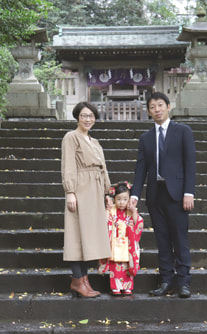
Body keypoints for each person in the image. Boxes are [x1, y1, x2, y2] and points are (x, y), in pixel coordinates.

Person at [130, 92, 196, 298]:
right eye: (152, 106)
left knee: (180, 238)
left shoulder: (183, 131)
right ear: (148, 111)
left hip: (177, 194)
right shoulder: (146, 138)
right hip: (155, 195)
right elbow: (141, 169)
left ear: (168, 107)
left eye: (160, 105)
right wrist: (134, 195)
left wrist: (189, 192)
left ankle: (184, 282)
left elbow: (190, 164)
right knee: (162, 240)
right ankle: (166, 280)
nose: (157, 109)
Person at [61, 101, 113, 298]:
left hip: (96, 188)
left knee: (89, 237)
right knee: (77, 235)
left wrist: (108, 193)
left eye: (91, 116)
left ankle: (84, 280)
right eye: (84, 115)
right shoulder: (71, 137)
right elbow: (68, 165)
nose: (88, 119)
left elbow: (103, 168)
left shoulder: (95, 142)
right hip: (81, 188)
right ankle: (77, 278)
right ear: (77, 117)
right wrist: (70, 191)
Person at [98, 182, 144, 296]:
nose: (122, 202)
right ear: (114, 199)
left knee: (127, 266)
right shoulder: (112, 211)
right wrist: (107, 211)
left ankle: (127, 287)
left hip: (127, 243)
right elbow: (104, 222)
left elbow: (138, 222)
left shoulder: (131, 210)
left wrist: (133, 211)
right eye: (118, 199)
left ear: (129, 199)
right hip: (115, 242)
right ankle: (116, 287)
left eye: (124, 199)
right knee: (116, 266)